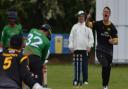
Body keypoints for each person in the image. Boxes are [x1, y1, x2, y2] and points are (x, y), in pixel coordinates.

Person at [86, 7, 118, 89]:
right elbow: (87, 24)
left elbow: (116, 41)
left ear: (109, 14)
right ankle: (105, 86)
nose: (105, 13)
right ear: (102, 14)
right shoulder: (98, 23)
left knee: (108, 69)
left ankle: (105, 86)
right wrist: (88, 18)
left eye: (107, 12)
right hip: (100, 50)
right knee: (105, 65)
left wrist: (112, 41)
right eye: (104, 11)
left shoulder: (112, 27)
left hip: (109, 52)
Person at [68, 10, 94, 88]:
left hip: (84, 49)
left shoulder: (88, 26)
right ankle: (76, 80)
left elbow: (91, 38)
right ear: (78, 17)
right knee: (76, 66)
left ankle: (85, 80)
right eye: (79, 16)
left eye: (82, 16)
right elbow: (71, 37)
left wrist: (90, 46)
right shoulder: (74, 26)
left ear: (84, 17)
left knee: (84, 66)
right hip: (76, 49)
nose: (81, 18)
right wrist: (71, 46)